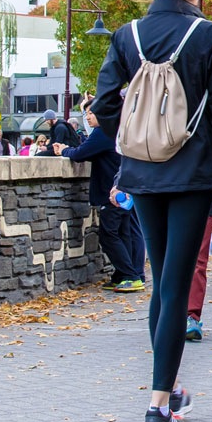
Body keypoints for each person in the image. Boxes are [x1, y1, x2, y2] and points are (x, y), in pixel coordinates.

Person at [92, 0, 212, 422]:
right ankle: (159, 408)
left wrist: (134, 139)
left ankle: (171, 385)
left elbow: (103, 103)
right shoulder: (209, 37)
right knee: (177, 285)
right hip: (192, 175)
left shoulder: (127, 35)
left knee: (161, 281)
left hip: (143, 174)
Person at [59, 107, 144, 293]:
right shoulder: (116, 129)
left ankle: (130, 275)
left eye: (91, 113)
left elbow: (81, 153)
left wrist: (64, 150)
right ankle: (126, 275)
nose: (88, 117)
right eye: (86, 114)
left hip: (112, 192)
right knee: (125, 233)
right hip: (124, 189)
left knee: (108, 235)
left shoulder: (104, 131)